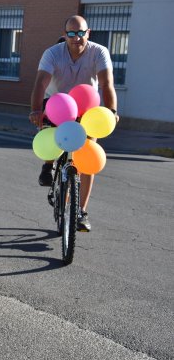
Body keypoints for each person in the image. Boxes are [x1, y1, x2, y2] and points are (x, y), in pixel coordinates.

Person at [30, 15, 119, 232]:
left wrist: (112, 111)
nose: (76, 38)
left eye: (81, 33)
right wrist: (36, 110)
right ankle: (48, 164)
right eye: (71, 33)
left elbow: (107, 84)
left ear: (88, 33)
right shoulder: (52, 53)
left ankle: (80, 212)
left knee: (88, 155)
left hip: (87, 106)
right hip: (57, 103)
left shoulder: (99, 52)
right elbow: (41, 83)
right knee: (52, 134)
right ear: (65, 35)